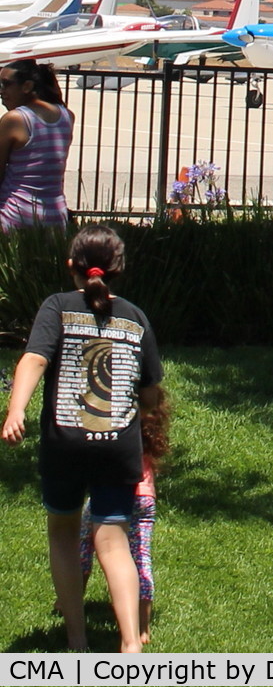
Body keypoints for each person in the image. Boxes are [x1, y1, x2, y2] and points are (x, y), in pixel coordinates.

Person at [3, 226, 165, 654]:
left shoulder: (57, 306)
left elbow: (35, 358)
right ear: (119, 270)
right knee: (112, 540)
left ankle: (76, 641)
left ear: (70, 266)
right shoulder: (136, 318)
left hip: (65, 444)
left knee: (62, 532)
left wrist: (15, 409)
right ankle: (130, 643)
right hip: (119, 446)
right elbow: (149, 395)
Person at [81, 389, 169, 645]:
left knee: (83, 544)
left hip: (118, 494)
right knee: (141, 558)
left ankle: (68, 602)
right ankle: (142, 629)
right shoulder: (151, 432)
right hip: (146, 498)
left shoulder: (120, 428)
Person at [0, 59, 74, 233]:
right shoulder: (66, 116)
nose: (2, 91)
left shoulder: (15, 119)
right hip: (55, 216)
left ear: (27, 86)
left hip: (14, 215)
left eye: (6, 84)